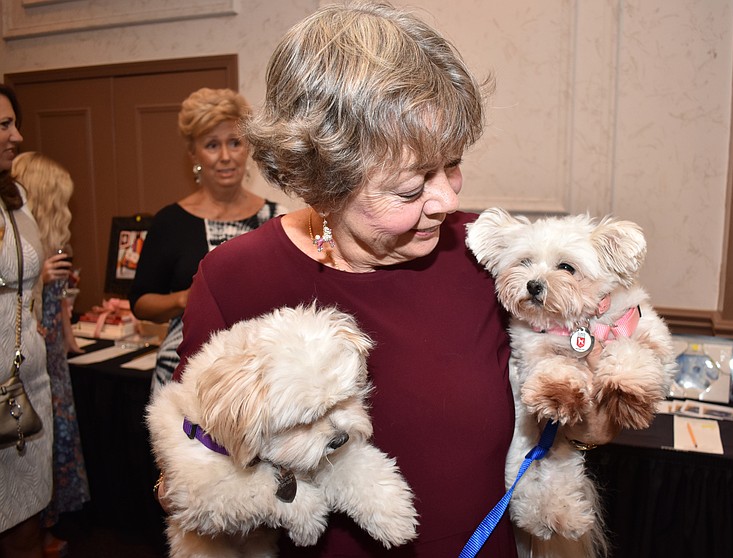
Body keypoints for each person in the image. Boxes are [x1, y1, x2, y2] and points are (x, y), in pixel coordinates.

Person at [169, 3, 622, 556]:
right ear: (324, 180)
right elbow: (189, 475)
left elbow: (588, 426)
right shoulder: (234, 280)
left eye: (451, 164)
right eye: (411, 189)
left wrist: (597, 386)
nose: (448, 199)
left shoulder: (489, 256)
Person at [128, 87, 279, 392]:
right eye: (212, 145)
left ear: (247, 147)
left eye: (235, 143)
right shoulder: (170, 222)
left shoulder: (277, 219)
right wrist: (186, 298)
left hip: (262, 380)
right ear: (193, 153)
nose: (225, 156)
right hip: (183, 378)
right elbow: (141, 303)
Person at [12, 151, 90, 554]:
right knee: (31, 446)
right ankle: (33, 532)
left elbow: (60, 316)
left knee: (52, 440)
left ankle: (43, 526)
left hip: (53, 360)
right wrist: (39, 280)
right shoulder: (19, 252)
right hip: (27, 362)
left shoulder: (50, 243)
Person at [0, 84, 54, 558]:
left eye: (14, 122)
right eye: (3, 125)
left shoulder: (14, 195)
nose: (17, 136)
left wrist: (31, 315)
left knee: (28, 515)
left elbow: (26, 272)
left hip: (26, 380)